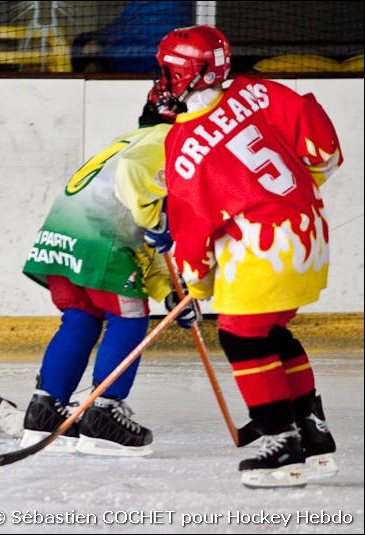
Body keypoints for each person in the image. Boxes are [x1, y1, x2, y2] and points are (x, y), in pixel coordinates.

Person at [154, 25, 342, 487]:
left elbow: (193, 225)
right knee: (272, 331)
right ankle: (312, 434)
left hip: (264, 245)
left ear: (185, 74)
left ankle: (281, 444)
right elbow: (325, 155)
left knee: (241, 337)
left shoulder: (182, 143)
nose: (162, 77)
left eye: (167, 69)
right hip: (309, 231)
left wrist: (195, 282)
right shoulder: (261, 90)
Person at [20, 84, 196, 456]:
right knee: (129, 318)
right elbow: (145, 213)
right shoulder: (171, 139)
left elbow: (147, 245)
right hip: (103, 244)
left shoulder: (127, 140)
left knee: (81, 319)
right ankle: (104, 413)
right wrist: (157, 219)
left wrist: (171, 291)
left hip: (64, 239)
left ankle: (44, 411)